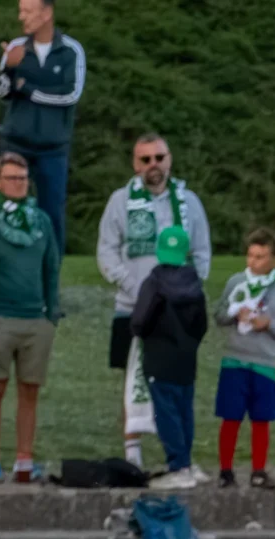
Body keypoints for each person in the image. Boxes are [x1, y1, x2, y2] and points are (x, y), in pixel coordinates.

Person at [96, 133, 212, 470]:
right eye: (145, 160)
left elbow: (201, 251)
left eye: (159, 158)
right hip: (133, 306)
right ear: (135, 164)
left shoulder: (189, 201)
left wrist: (190, 287)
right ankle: (132, 449)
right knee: (132, 378)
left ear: (169, 159)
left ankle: (177, 456)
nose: (153, 166)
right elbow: (106, 250)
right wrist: (135, 287)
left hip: (177, 312)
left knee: (175, 382)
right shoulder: (120, 201)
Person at [0, 153, 60, 484]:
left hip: (37, 321)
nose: (18, 184)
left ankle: (24, 459)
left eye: (22, 178)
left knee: (30, 392)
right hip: (0, 319)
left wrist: (52, 314)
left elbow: (51, 268)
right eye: (11, 178)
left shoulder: (42, 223)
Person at [0, 0, 84, 255]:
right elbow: (1, 93)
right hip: (15, 143)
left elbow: (69, 95)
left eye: (28, 11)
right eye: (21, 11)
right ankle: (5, 266)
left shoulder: (71, 50)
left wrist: (28, 89)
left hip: (53, 148)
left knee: (52, 212)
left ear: (46, 13)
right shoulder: (15, 47)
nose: (22, 17)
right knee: (8, 206)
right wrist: (10, 71)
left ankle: (49, 274)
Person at [213, 229, 275, 489]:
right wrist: (233, 314)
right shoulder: (235, 282)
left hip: (265, 364)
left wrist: (269, 324)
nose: (253, 262)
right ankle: (225, 471)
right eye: (251, 255)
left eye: (261, 257)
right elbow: (218, 315)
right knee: (230, 417)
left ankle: (258, 471)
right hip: (234, 360)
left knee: (261, 419)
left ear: (274, 260)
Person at [130, 226, 209, 490]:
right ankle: (186, 461)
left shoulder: (154, 282)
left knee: (167, 413)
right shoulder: (194, 281)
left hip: (159, 357)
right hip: (186, 359)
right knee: (184, 411)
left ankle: (178, 466)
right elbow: (202, 325)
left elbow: (139, 321)